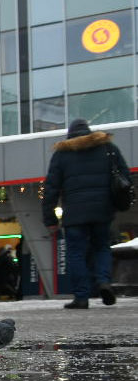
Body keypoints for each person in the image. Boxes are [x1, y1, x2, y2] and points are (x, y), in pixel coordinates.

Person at [44, 118, 127, 309]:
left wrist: (50, 218)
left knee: (75, 254)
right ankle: (104, 281)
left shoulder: (62, 154)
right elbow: (123, 176)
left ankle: (81, 297)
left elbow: (51, 188)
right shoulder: (108, 148)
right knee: (102, 247)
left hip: (74, 214)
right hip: (102, 210)